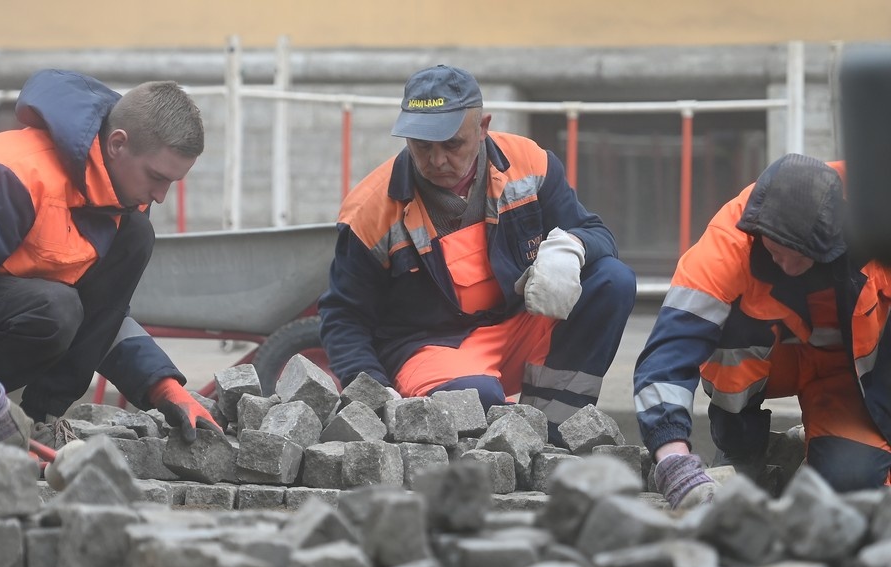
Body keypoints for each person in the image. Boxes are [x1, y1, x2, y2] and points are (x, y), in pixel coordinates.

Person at [318, 64, 636, 440]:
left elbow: (596, 232)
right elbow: (344, 316)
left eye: (452, 144)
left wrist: (572, 247)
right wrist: (371, 388)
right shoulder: (370, 211)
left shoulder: (530, 164)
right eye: (422, 145)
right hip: (430, 347)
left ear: (482, 127)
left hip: (518, 325)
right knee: (475, 400)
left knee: (613, 281)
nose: (436, 161)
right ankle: (501, 443)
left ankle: (550, 432)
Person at [0, 69, 223, 451]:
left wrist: (162, 385)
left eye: (172, 182)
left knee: (113, 258)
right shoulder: (2, 179)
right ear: (117, 143)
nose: (161, 196)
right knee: (54, 309)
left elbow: (103, 316)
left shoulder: (123, 205)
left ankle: (40, 423)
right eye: (156, 177)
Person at [634, 153, 891, 508]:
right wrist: (673, 460)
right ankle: (739, 446)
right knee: (731, 330)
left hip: (842, 376)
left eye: (798, 257)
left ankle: (817, 443)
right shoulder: (725, 248)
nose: (784, 264)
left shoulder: (874, 219)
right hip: (767, 362)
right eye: (775, 252)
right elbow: (666, 357)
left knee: (853, 487)